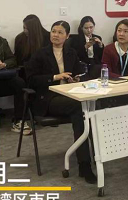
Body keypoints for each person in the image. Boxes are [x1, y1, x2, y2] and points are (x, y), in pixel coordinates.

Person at [25, 21, 95, 184]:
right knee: (81, 108)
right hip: (48, 99)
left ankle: (91, 158)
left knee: (87, 108)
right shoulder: (40, 54)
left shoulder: (71, 53)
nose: (55, 35)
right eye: (53, 31)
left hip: (69, 96)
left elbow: (79, 72)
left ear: (67, 36)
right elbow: (30, 79)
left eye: (60, 32)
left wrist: (76, 78)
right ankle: (85, 163)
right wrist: (55, 77)